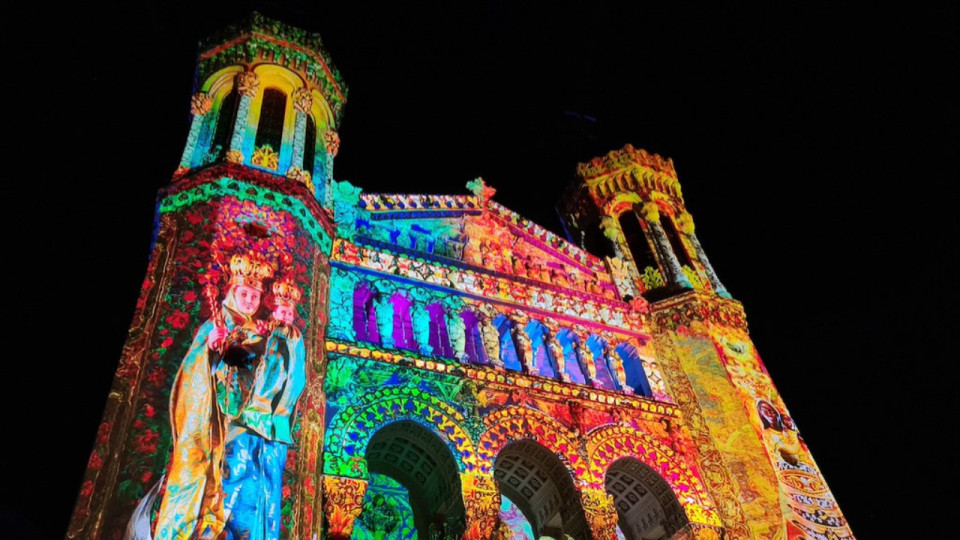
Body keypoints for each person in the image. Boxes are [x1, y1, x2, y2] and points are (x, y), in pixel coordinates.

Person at [154, 251, 274, 540]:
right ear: (234, 291)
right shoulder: (216, 324)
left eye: (255, 297)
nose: (249, 301)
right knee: (195, 469)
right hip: (208, 418)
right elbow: (193, 368)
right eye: (245, 294)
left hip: (237, 422)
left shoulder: (257, 333)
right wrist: (209, 348)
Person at [220, 275, 306, 540]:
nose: (287, 317)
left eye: (290, 313)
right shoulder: (258, 333)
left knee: (267, 487)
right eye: (282, 311)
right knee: (236, 474)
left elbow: (295, 378)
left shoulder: (292, 339)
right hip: (246, 419)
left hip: (273, 425)